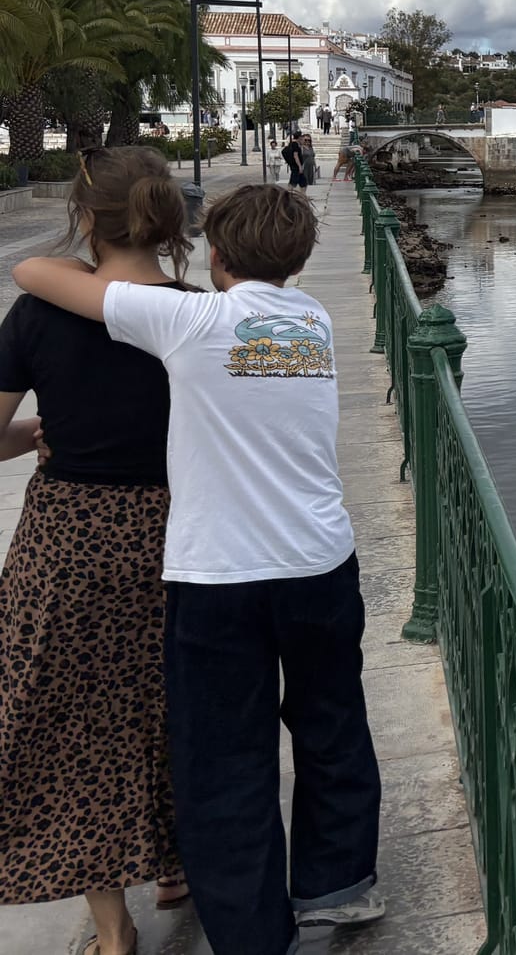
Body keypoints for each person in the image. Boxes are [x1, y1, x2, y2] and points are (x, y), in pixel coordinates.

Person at [13, 185, 385, 954]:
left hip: (221, 575)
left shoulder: (190, 322)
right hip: (320, 561)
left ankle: (251, 931)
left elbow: (34, 274)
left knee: (225, 755)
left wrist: (90, 233)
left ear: (213, 256)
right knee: (332, 726)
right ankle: (336, 887)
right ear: (300, 260)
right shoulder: (311, 321)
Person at [0, 146, 192, 955]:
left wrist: (37, 432)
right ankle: (176, 864)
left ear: (86, 218)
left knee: (68, 722)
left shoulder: (40, 312)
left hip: (70, 535)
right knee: (170, 704)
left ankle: (113, 934)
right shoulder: (197, 313)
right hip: (175, 534)